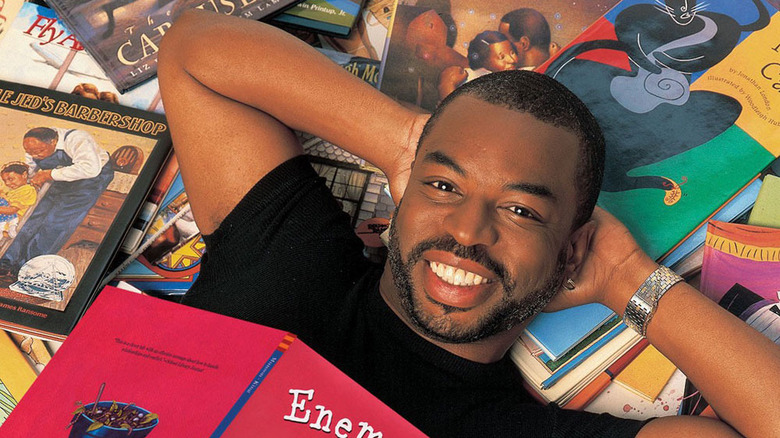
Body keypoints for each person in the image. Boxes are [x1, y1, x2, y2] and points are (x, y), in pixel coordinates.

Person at [158, 10, 780, 438]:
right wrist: (406, 142)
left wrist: (627, 277)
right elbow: (193, 48)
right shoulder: (288, 267)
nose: (468, 229)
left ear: (571, 253)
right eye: (445, 186)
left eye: (520, 210)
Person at [0, 127, 114, 279]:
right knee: (33, 216)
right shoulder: (33, 147)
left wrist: (49, 174)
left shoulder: (76, 139)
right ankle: (6, 262)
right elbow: (31, 170)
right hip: (58, 176)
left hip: (89, 180)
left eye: (39, 151)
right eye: (30, 151)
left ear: (53, 142)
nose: (34, 155)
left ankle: (26, 268)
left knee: (55, 224)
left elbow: (90, 168)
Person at [438, 30, 519, 100]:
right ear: (484, 61)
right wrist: (448, 85)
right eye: (502, 57)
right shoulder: (472, 81)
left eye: (512, 53)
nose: (512, 60)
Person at [0, 162, 37, 239]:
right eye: (4, 180)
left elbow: (12, 210)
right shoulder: (13, 192)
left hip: (13, 223)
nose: (7, 183)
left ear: (24, 175)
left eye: (11, 179)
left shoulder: (27, 190)